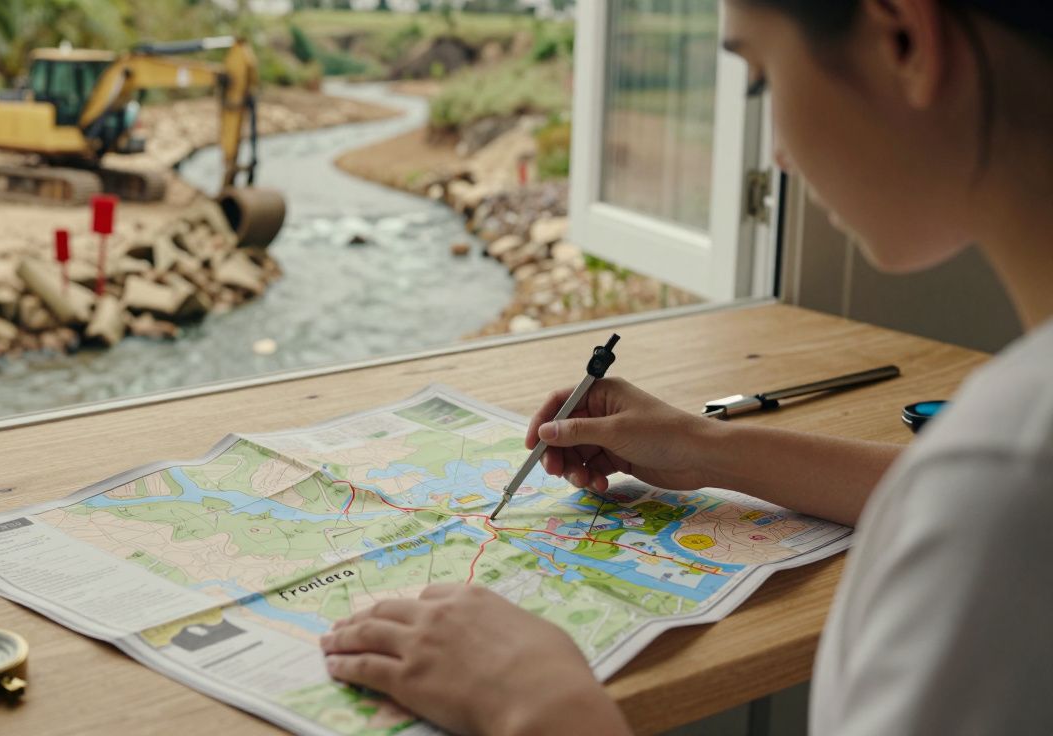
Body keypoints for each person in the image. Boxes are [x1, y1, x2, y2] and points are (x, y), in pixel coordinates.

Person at [319, 0, 1053, 733]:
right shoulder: (1002, 464)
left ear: (904, 39)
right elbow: (938, 489)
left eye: (762, 77)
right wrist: (705, 448)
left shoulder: (1003, 485)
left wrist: (539, 704)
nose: (776, 155)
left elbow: (985, 494)